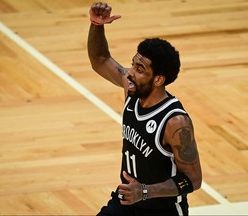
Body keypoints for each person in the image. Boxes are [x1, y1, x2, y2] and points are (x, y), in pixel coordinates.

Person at [87, 2, 202, 216]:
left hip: (163, 211)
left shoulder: (175, 122)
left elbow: (193, 180)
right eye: (133, 64)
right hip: (128, 202)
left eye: (139, 69)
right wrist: (96, 24)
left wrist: (145, 191)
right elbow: (100, 59)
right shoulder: (131, 90)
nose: (130, 72)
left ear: (158, 79)